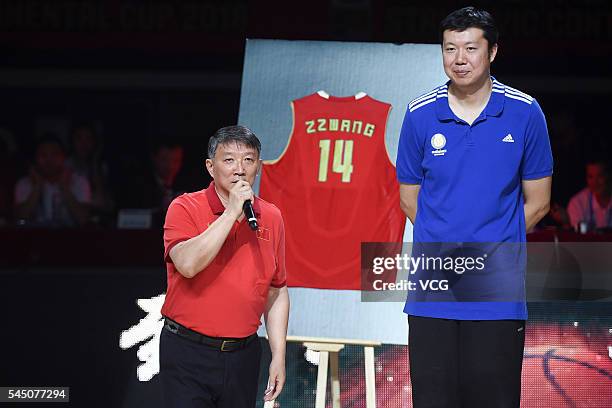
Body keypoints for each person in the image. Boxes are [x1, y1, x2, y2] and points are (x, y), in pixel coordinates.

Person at [396, 7, 552, 408]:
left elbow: (538, 203)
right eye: (450, 49)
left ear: (493, 52)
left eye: (470, 48)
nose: (459, 59)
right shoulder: (418, 114)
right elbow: (409, 199)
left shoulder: (525, 112)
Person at [159, 125, 289, 407]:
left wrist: (279, 355)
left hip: (243, 355)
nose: (239, 169)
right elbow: (188, 265)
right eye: (229, 159)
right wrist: (231, 213)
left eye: (249, 160)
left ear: (259, 167)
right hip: (188, 352)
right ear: (210, 166)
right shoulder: (184, 207)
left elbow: (277, 291)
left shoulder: (272, 217)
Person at [14, 134, 91, 227]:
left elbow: (84, 221)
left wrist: (64, 187)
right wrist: (37, 187)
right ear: (35, 158)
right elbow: (20, 221)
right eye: (43, 155)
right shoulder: (24, 183)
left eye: (55, 154)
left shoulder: (79, 181)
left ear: (64, 157)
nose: (49, 160)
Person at [566, 159, 611, 231]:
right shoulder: (577, 203)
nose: (595, 182)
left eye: (600, 176)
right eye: (590, 177)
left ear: (608, 176)